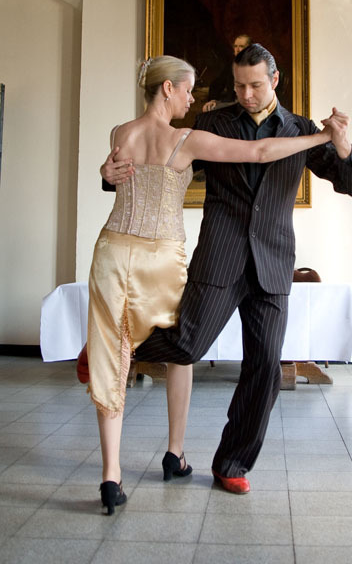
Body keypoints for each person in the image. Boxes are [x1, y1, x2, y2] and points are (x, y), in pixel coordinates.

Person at [88, 53, 332, 514]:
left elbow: (119, 173)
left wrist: (105, 174)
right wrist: (320, 135)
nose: (191, 97)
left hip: (115, 248)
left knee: (119, 351)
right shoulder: (194, 134)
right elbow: (258, 153)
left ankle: (119, 474)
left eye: (252, 85)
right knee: (184, 345)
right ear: (167, 89)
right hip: (174, 256)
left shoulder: (121, 132)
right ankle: (173, 449)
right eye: (186, 89)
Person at [202, 34, 251, 112]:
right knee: (208, 109)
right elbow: (217, 84)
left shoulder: (257, 66)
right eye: (235, 46)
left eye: (241, 46)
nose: (237, 50)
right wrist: (212, 100)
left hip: (251, 105)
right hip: (233, 103)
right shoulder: (231, 65)